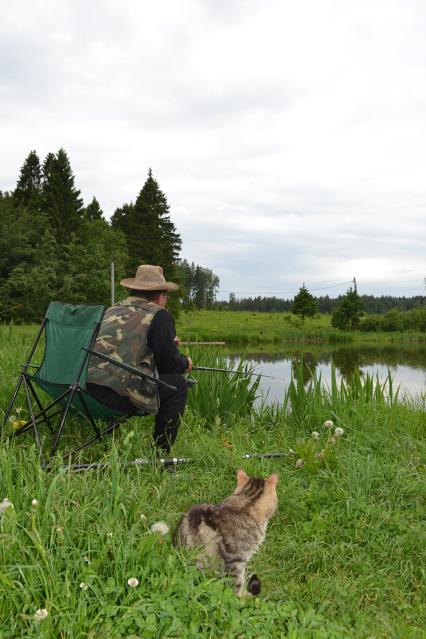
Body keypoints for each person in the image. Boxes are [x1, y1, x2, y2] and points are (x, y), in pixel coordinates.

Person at [86, 264, 192, 454]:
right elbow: (168, 365)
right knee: (177, 384)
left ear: (134, 290)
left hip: (83, 388)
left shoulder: (113, 308)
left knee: (119, 371)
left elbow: (125, 346)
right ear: (161, 296)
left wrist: (165, 342)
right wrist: (186, 363)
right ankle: (160, 454)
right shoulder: (159, 314)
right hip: (114, 396)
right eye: (166, 296)